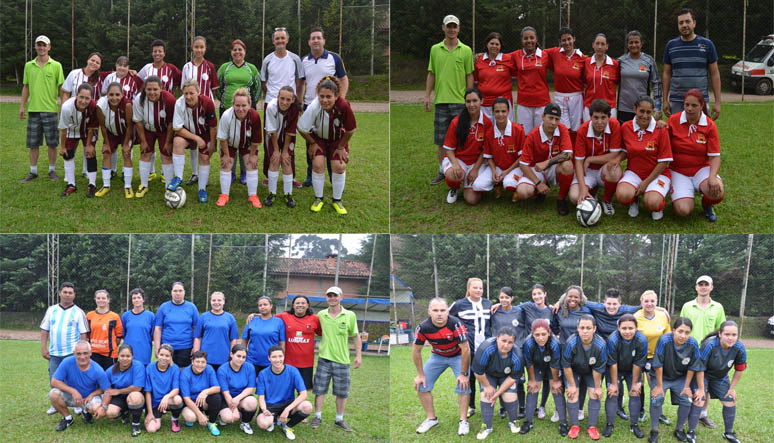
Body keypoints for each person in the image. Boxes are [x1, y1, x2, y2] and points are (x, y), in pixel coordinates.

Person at [426, 15, 474, 185]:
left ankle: (461, 168)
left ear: (459, 28)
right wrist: (427, 96)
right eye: (449, 26)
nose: (452, 29)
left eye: (455, 26)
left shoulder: (466, 50)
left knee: (461, 138)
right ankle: (442, 170)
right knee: (441, 139)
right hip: (441, 101)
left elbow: (469, 75)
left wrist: (469, 98)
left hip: (460, 102)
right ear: (443, 28)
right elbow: (431, 73)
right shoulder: (435, 49)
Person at [297, 77, 357, 214]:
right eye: (321, 96)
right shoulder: (314, 106)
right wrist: (312, 143)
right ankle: (319, 199)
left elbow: (351, 130)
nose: (324, 100)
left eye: (328, 96)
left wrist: (341, 147)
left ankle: (337, 200)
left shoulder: (343, 106)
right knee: (317, 165)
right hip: (319, 139)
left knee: (339, 166)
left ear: (336, 96)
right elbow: (301, 128)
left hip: (337, 140)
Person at [413, 297, 471, 436]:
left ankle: (463, 421)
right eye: (435, 310)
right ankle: (431, 419)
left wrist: (463, 374)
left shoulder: (456, 324)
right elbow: (416, 350)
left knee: (463, 385)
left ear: (447, 312)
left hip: (457, 356)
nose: (439, 313)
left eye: (443, 310)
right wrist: (420, 374)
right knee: (421, 385)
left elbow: (466, 349)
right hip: (437, 356)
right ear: (429, 312)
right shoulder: (423, 327)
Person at [301, 27, 350, 188]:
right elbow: (301, 83)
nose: (315, 40)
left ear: (323, 41)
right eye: (313, 38)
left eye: (318, 38)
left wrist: (340, 100)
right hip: (311, 106)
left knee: (331, 139)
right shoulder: (304, 60)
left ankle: (332, 175)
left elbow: (343, 79)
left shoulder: (334, 58)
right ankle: (311, 175)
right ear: (309, 42)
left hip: (330, 107)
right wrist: (301, 103)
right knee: (312, 142)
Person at [310, 286, 362, 432]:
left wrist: (358, 355)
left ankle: (339, 419)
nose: (332, 298)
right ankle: (317, 416)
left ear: (341, 297)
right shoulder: (321, 315)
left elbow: (356, 336)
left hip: (342, 361)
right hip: (324, 359)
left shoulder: (349, 315)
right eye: (329, 295)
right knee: (319, 390)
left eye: (335, 295)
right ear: (326, 298)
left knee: (341, 392)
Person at [668, 89, 724, 222]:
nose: (689, 109)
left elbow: (715, 157)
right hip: (678, 170)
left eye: (694, 105)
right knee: (683, 211)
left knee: (717, 192)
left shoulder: (709, 125)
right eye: (687, 105)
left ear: (702, 106)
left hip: (701, 169)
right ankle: (680, 195)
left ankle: (706, 204)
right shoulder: (673, 120)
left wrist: (712, 177)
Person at [680, 274, 727, 428]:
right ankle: (688, 413)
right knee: (691, 383)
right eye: (700, 284)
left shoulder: (718, 307)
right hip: (691, 351)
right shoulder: (687, 306)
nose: (703, 287)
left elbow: (722, 329)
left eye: (706, 284)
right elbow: (681, 328)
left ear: (711, 287)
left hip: (711, 352)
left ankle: (702, 414)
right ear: (696, 287)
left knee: (706, 384)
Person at [648, 317, 705, 443]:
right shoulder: (664, 340)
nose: (683, 335)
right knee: (656, 398)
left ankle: (679, 429)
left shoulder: (693, 344)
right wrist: (659, 386)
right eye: (680, 331)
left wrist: (686, 386)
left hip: (680, 378)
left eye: (687, 332)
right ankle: (654, 431)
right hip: (661, 376)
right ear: (674, 330)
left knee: (686, 399)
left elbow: (693, 367)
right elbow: (658, 365)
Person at [616, 96, 672, 221]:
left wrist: (645, 183)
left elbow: (664, 162)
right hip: (634, 172)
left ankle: (657, 204)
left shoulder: (660, 129)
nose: (645, 116)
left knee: (652, 202)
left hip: (658, 174)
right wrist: (616, 161)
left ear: (652, 112)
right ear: (635, 109)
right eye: (641, 111)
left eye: (648, 112)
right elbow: (624, 150)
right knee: (622, 195)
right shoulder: (626, 127)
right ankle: (634, 200)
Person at [261, 27, 305, 188]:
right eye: (277, 39)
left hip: (290, 104)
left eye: (282, 38)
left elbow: (300, 81)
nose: (280, 41)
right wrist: (275, 97)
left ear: (287, 40)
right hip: (271, 103)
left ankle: (290, 175)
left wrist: (296, 101)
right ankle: (268, 174)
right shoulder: (267, 60)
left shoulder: (295, 59)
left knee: (290, 139)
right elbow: (264, 82)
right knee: (269, 139)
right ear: (273, 41)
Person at [663, 7, 722, 120]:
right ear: (678, 25)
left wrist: (718, 102)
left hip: (700, 101)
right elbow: (666, 74)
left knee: (700, 135)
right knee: (677, 135)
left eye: (687, 21)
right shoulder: (671, 46)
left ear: (694, 23)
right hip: (677, 100)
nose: (684, 25)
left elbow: (715, 74)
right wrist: (665, 100)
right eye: (681, 23)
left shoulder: (707, 45)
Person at [516, 103, 574, 215]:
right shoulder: (533, 135)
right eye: (550, 118)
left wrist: (547, 162)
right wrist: (538, 183)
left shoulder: (562, 129)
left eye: (557, 119)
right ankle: (540, 190)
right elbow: (523, 164)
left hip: (553, 167)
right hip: (536, 169)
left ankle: (561, 199)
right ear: (543, 117)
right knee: (522, 192)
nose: (553, 123)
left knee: (568, 165)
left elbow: (568, 154)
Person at [20, 35, 64, 183]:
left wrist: (62, 106)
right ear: (35, 47)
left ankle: (52, 170)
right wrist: (22, 106)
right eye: (39, 45)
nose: (41, 48)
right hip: (33, 110)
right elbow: (26, 87)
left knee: (52, 143)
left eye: (44, 45)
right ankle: (33, 171)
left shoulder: (56, 65)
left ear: (49, 47)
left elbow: (61, 88)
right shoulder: (28, 65)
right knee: (33, 143)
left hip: (51, 110)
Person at [217, 39, 262, 185]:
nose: (237, 52)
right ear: (231, 52)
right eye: (234, 49)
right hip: (227, 109)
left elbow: (257, 88)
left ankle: (244, 171)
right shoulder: (225, 68)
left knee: (245, 139)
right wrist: (225, 101)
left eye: (240, 49)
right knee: (229, 138)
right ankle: (230, 171)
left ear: (245, 52)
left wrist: (249, 106)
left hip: (246, 111)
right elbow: (218, 87)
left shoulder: (252, 68)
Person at [41, 282, 89, 415]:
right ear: (60, 293)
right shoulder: (51, 310)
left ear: (74, 295)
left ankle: (76, 405)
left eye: (70, 293)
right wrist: (44, 348)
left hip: (71, 354)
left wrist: (81, 354)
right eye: (65, 292)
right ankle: (55, 404)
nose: (67, 295)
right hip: (54, 354)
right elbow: (45, 330)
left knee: (73, 380)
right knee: (54, 379)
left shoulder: (79, 312)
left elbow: (83, 334)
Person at [568, 99, 623, 216]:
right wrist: (582, 187)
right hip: (587, 171)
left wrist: (590, 159)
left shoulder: (615, 125)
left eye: (603, 117)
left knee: (614, 170)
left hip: (604, 169)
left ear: (609, 117)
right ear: (590, 117)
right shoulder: (582, 130)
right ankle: (591, 191)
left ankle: (606, 200)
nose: (599, 122)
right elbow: (578, 162)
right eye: (596, 117)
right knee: (574, 197)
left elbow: (614, 155)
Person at [137, 39, 182, 181]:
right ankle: (150, 171)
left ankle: (164, 173)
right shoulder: (146, 68)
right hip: (149, 106)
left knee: (165, 146)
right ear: (152, 53)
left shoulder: (171, 68)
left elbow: (182, 80)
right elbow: (137, 80)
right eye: (155, 51)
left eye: (160, 51)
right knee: (149, 140)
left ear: (164, 53)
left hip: (165, 105)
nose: (157, 53)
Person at [440, 88, 492, 205]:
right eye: (468, 101)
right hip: (458, 160)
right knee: (454, 175)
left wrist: (475, 169)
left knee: (472, 200)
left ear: (481, 101)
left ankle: (470, 183)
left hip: (475, 163)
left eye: (475, 100)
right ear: (465, 103)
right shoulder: (456, 122)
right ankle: (454, 187)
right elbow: (448, 149)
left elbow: (485, 151)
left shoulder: (487, 123)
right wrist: (456, 164)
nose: (472, 104)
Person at [449, 277, 491, 419]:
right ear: (468, 289)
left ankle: (490, 404)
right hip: (468, 349)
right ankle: (470, 406)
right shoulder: (459, 304)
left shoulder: (488, 303)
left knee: (487, 377)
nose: (478, 290)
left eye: (480, 288)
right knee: (469, 377)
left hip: (486, 348)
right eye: (475, 287)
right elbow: (447, 319)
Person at [170, 79, 218, 203]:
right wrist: (196, 139)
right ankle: (178, 178)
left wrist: (212, 145)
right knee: (177, 142)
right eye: (186, 93)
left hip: (205, 133)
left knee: (204, 157)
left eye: (191, 93)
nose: (188, 96)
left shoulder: (207, 102)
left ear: (198, 91)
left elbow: (213, 126)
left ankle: (202, 189)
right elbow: (177, 128)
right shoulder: (179, 103)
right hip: (187, 132)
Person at [698, 321, 746, 443]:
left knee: (730, 400)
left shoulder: (739, 348)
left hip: (720, 377)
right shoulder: (709, 345)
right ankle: (691, 431)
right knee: (699, 398)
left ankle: (728, 433)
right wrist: (701, 388)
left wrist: (731, 388)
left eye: (734, 335)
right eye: (727, 334)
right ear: (720, 334)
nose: (731, 338)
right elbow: (699, 368)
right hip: (703, 373)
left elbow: (739, 370)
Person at [472, 327, 524, 440]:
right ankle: (487, 426)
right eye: (503, 341)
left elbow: (512, 378)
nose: (506, 345)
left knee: (509, 396)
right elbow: (478, 371)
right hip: (488, 375)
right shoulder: (485, 348)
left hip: (506, 376)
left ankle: (513, 421)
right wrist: (487, 386)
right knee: (486, 396)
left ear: (514, 343)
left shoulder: (517, 355)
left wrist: (498, 393)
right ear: (497, 338)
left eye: (510, 342)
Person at [181, 36, 219, 186]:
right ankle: (195, 174)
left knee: (206, 141)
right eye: (196, 47)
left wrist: (207, 102)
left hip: (204, 108)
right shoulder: (186, 67)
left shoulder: (209, 66)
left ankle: (204, 176)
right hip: (190, 108)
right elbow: (184, 87)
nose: (199, 50)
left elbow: (214, 89)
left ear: (205, 48)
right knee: (193, 142)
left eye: (201, 47)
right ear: (192, 48)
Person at [602, 314, 648, 438]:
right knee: (613, 393)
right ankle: (610, 424)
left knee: (635, 392)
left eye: (631, 328)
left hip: (632, 370)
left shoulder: (641, 340)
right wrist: (613, 383)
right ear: (618, 328)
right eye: (624, 328)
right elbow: (612, 363)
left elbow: (638, 364)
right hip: (615, 368)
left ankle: (634, 425)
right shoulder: (613, 339)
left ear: (636, 328)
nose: (627, 332)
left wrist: (634, 384)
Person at [561, 315, 607, 440]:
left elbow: (598, 369)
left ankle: (592, 427)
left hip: (591, 371)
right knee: (572, 393)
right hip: (574, 370)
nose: (585, 331)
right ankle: (574, 426)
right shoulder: (571, 342)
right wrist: (572, 385)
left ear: (594, 329)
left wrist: (598, 387)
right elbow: (566, 365)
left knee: (594, 394)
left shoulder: (601, 345)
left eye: (588, 328)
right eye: (582, 327)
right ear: (578, 328)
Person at [215, 87, 263, 207]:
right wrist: (226, 156)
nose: (241, 109)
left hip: (247, 144)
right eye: (237, 105)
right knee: (226, 163)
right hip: (229, 144)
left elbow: (255, 140)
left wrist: (252, 156)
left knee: (252, 163)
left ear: (249, 105)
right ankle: (224, 195)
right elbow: (223, 138)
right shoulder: (226, 115)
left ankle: (253, 195)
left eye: (244, 105)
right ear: (233, 105)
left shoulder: (255, 116)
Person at [48, 340, 110, 431]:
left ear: (90, 353)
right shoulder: (67, 362)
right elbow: (54, 381)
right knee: (53, 394)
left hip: (88, 398)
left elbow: (107, 389)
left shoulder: (97, 369)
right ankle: (68, 418)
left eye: (85, 353)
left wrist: (92, 395)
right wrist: (73, 391)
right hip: (71, 396)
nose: (82, 357)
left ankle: (86, 412)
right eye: (79, 354)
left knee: (96, 408)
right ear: (74, 353)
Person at [471, 97, 524, 200]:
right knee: (477, 186)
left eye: (503, 111)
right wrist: (494, 170)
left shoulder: (518, 130)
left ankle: (517, 184)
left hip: (514, 167)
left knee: (509, 184)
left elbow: (521, 158)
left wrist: (507, 171)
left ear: (509, 111)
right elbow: (488, 156)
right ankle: (497, 184)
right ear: (493, 113)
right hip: (498, 167)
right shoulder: (490, 132)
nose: (500, 114)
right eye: (497, 111)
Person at [132, 75, 176, 197]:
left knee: (166, 154)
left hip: (164, 130)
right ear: (144, 89)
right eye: (149, 89)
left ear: (161, 88)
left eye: (155, 89)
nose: (152, 92)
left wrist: (168, 142)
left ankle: (168, 186)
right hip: (148, 129)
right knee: (145, 152)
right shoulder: (139, 99)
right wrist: (143, 141)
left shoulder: (169, 99)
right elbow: (138, 121)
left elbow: (172, 123)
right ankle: (143, 185)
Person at [520, 319, 566, 436]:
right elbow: (529, 362)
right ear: (532, 334)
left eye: (543, 334)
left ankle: (563, 423)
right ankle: (528, 421)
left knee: (557, 389)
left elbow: (555, 364)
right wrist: (532, 379)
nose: (541, 338)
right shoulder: (528, 343)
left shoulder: (555, 343)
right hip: (536, 365)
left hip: (552, 366)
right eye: (537, 335)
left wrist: (556, 381)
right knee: (533, 388)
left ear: (549, 333)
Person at [256, 346, 313, 440]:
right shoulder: (263, 374)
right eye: (274, 357)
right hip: (270, 405)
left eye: (280, 356)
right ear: (269, 358)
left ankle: (288, 426)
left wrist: (287, 410)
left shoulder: (293, 371)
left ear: (284, 357)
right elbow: (261, 397)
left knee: (307, 406)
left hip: (288, 404)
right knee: (263, 424)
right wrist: (264, 409)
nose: (278, 360)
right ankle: (274, 420)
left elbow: (304, 394)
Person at [634, 290, 672, 425]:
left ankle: (658, 412)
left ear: (656, 302)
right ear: (641, 302)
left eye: (652, 301)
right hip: (639, 356)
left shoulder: (662, 316)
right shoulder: (636, 317)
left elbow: (668, 336)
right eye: (646, 301)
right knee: (639, 383)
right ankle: (640, 410)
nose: (649, 304)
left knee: (655, 385)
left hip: (656, 357)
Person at [100, 57, 143, 179]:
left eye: (125, 66)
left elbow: (142, 89)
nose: (122, 68)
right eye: (120, 65)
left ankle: (125, 171)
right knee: (112, 144)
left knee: (128, 143)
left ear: (129, 67)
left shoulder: (134, 78)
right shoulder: (109, 78)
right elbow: (104, 93)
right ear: (116, 65)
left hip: (129, 115)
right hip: (112, 115)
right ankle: (112, 170)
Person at [57, 83, 99, 197]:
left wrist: (89, 145)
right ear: (76, 95)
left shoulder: (94, 107)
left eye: (87, 98)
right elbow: (64, 129)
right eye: (81, 97)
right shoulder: (67, 107)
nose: (83, 101)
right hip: (72, 130)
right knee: (68, 154)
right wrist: (62, 147)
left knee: (90, 153)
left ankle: (92, 184)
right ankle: (71, 184)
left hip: (87, 131)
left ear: (91, 98)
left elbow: (91, 128)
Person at [487, 287, 524, 419]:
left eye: (506, 297)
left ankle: (522, 408)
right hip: (499, 352)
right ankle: (503, 408)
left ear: (512, 298)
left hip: (516, 351)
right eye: (501, 297)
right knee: (502, 378)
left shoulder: (520, 311)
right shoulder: (494, 311)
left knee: (518, 380)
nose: (504, 300)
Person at [545, 27, 585, 144]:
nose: (567, 42)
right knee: (563, 128)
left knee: (577, 129)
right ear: (560, 42)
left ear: (574, 39)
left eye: (569, 39)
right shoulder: (554, 52)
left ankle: (576, 156)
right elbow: (539, 53)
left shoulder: (582, 58)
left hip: (576, 97)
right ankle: (564, 153)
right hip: (560, 97)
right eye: (563, 40)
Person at [510, 26, 552, 134]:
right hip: (523, 104)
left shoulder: (545, 55)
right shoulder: (516, 55)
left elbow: (561, 56)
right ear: (521, 40)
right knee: (524, 134)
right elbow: (498, 58)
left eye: (531, 38)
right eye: (526, 38)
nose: (529, 41)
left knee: (541, 135)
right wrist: (482, 55)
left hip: (542, 103)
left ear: (536, 39)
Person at [96, 82, 135, 197]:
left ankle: (128, 186)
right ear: (106, 95)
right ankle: (106, 185)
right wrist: (106, 143)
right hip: (110, 132)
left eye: (117, 95)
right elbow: (102, 126)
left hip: (125, 133)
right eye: (111, 94)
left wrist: (126, 143)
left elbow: (129, 126)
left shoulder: (127, 105)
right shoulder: (101, 105)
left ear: (122, 95)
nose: (114, 98)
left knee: (126, 153)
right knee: (106, 153)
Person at [264, 86, 301, 208]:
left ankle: (288, 194)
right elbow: (272, 130)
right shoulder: (271, 107)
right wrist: (276, 150)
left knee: (286, 161)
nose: (285, 102)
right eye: (282, 98)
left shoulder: (295, 109)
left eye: (288, 100)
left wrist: (284, 151)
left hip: (287, 137)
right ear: (278, 97)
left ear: (293, 100)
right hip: (272, 135)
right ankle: (272, 193)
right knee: (274, 160)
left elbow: (291, 132)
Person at [98, 344, 146, 437]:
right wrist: (103, 406)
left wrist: (118, 391)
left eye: (128, 356)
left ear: (132, 356)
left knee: (135, 396)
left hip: (134, 395)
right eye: (122, 356)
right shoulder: (110, 370)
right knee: (110, 413)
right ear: (118, 356)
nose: (125, 358)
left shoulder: (138, 366)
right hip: (120, 398)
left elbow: (137, 387)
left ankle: (135, 425)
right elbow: (106, 389)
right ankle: (125, 413)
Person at [276, 295, 322, 391]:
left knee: (303, 391)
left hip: (306, 363)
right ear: (293, 305)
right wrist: (256, 315)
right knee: (287, 390)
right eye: (297, 303)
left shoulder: (315, 319)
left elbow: (322, 333)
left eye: (303, 303)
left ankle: (299, 406)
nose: (300, 305)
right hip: (288, 362)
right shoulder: (284, 316)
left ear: (308, 305)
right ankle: (288, 406)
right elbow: (268, 318)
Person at [617, 31, 662, 123]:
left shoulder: (649, 61)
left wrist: (657, 106)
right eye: (631, 42)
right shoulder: (620, 61)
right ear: (627, 44)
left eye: (636, 42)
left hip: (643, 109)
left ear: (641, 44)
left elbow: (656, 82)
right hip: (624, 109)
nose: (634, 45)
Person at [153, 282, 199, 368]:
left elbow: (196, 328)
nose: (177, 293)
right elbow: (158, 328)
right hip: (167, 347)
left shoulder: (191, 307)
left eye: (180, 291)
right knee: (167, 372)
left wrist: (195, 347)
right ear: (171, 292)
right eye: (175, 291)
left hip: (186, 347)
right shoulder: (164, 307)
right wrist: (157, 347)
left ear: (184, 292)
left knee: (183, 374)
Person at [216, 344, 257, 435]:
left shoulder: (250, 367)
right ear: (231, 354)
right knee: (228, 418)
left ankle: (245, 422)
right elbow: (225, 393)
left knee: (252, 402)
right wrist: (234, 410)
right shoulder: (222, 369)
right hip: (226, 398)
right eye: (238, 356)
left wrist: (237, 398)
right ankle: (222, 414)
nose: (241, 359)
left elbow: (250, 388)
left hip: (241, 396)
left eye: (243, 357)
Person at [473, 32, 515, 121]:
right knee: (486, 131)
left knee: (504, 131)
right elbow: (475, 82)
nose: (494, 46)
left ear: (501, 46)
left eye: (497, 44)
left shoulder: (508, 58)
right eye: (492, 43)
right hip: (484, 104)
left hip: (503, 103)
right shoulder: (479, 60)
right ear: (487, 44)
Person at [192, 291, 239, 372]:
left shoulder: (230, 318)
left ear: (224, 301)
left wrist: (232, 356)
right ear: (210, 302)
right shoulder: (203, 317)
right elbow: (197, 337)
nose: (216, 302)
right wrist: (196, 356)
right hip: (205, 358)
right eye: (214, 300)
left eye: (219, 300)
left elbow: (234, 339)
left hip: (224, 358)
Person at [179, 350, 223, 436]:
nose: (200, 365)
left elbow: (217, 388)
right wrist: (199, 415)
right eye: (197, 362)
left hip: (203, 401)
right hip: (190, 402)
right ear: (192, 362)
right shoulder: (185, 373)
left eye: (203, 362)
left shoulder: (209, 369)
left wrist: (205, 391)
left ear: (206, 362)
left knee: (216, 397)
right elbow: (186, 399)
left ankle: (212, 423)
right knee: (191, 418)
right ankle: (195, 416)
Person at [143, 344, 184, 434]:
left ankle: (175, 419)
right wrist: (150, 412)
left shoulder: (174, 368)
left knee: (178, 399)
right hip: (155, 404)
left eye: (167, 356)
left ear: (171, 357)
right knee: (152, 429)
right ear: (157, 354)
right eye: (161, 355)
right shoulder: (150, 367)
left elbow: (176, 389)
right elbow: (148, 392)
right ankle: (154, 415)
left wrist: (166, 397)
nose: (164, 358)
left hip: (168, 401)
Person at [242, 296, 286, 376]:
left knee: (269, 386)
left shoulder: (278, 322)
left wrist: (280, 359)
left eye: (265, 304)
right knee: (249, 385)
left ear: (271, 306)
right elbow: (244, 340)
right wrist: (243, 354)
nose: (262, 307)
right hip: (252, 360)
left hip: (271, 361)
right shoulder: (251, 320)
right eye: (260, 305)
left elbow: (282, 343)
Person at [583, 34, 620, 122]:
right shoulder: (586, 62)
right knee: (589, 133)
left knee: (608, 133)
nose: (599, 47)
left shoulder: (614, 64)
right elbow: (584, 81)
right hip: (589, 106)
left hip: (609, 107)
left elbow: (618, 81)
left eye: (602, 44)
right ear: (593, 45)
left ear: (607, 46)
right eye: (597, 43)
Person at [86, 289, 123, 370]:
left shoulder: (114, 316)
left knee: (109, 379)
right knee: (95, 378)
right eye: (98, 298)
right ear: (95, 299)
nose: (101, 300)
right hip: (93, 353)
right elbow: (87, 335)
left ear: (108, 300)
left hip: (110, 354)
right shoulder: (89, 315)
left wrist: (108, 346)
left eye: (103, 298)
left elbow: (118, 337)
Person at [121, 288, 155, 365]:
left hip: (144, 354)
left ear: (143, 300)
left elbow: (153, 335)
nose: (137, 300)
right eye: (134, 298)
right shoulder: (126, 316)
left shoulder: (150, 316)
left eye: (139, 297)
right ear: (132, 301)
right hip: (128, 355)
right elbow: (123, 335)